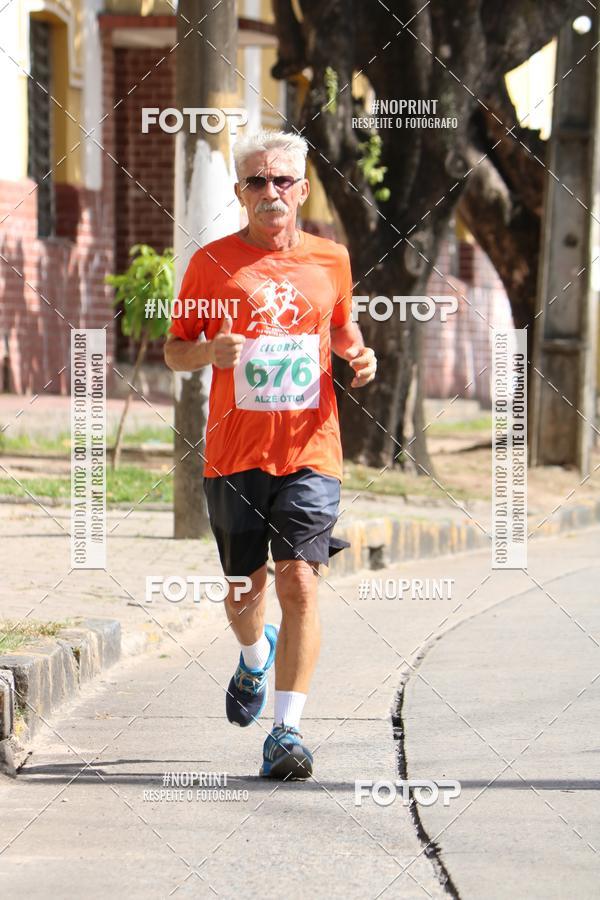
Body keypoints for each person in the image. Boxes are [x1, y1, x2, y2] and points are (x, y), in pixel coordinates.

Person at [164, 129, 376, 780]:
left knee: (299, 579)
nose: (271, 191)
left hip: (312, 446)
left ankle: (286, 732)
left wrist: (356, 355)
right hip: (233, 455)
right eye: (257, 181)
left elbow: (341, 326)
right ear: (239, 193)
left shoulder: (332, 259)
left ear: (303, 190)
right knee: (242, 590)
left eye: (283, 180)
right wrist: (209, 353)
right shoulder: (212, 264)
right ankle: (254, 656)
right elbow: (176, 348)